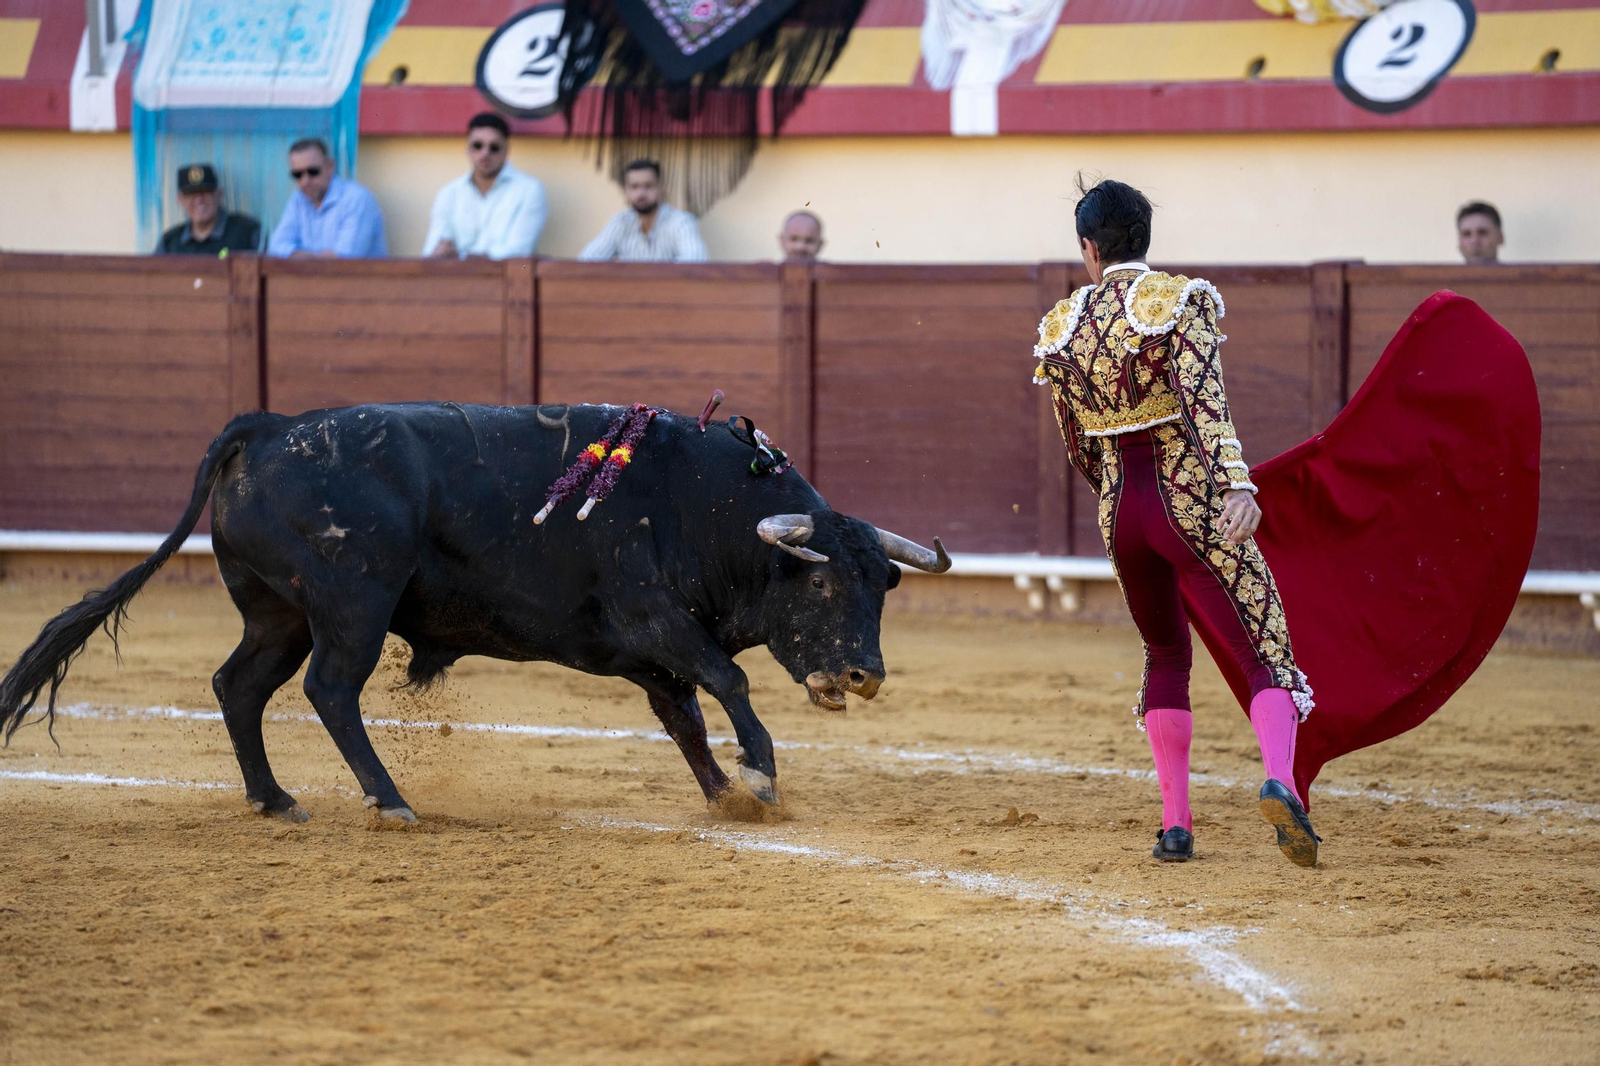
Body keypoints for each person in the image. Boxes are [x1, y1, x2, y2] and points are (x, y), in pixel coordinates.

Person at [1032, 178, 1318, 868]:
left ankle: (1176, 825)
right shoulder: (1179, 302)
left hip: (1120, 514)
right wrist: (1235, 488)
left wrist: (1116, 500)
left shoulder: (1060, 325)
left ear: (1089, 248)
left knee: (1166, 657)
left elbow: (1075, 443)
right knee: (1262, 647)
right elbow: (1204, 405)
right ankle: (1281, 779)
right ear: (1144, 239)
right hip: (1190, 500)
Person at [423, 112, 547, 259]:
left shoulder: (529, 190)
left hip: (507, 280)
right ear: (468, 148)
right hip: (455, 279)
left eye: (494, 147)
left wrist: (461, 257)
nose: (485, 153)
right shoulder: (449, 193)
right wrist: (445, 254)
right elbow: (434, 250)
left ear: (506, 150)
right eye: (478, 145)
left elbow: (518, 252)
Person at [267, 138, 387, 258]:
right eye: (297, 174)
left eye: (313, 171)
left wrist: (297, 257)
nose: (305, 181)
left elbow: (346, 258)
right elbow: (276, 246)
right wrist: (309, 258)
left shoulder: (356, 199)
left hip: (355, 276)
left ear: (330, 167)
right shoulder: (298, 200)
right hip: (312, 276)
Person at [578, 160, 707, 262]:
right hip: (628, 294)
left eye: (648, 186)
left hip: (670, 294)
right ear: (625, 192)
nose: (641, 193)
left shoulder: (680, 222)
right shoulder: (620, 222)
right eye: (634, 187)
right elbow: (587, 259)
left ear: (662, 189)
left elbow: (696, 261)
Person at [156, 164, 261, 256]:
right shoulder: (170, 242)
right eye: (191, 194)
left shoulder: (247, 232)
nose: (199, 200)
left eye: (205, 192)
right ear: (180, 200)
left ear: (219, 194)